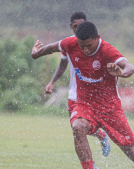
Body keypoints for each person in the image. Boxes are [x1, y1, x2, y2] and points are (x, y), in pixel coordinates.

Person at [32, 22, 134, 169]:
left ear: (97, 38)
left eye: (89, 45)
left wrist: (121, 73)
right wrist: (35, 54)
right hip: (85, 104)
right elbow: (50, 48)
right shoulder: (70, 43)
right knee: (77, 126)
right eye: (82, 46)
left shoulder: (107, 50)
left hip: (110, 108)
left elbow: (130, 67)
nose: (86, 49)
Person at [44, 12, 111, 159]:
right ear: (71, 27)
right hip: (74, 95)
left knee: (82, 127)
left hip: (91, 95)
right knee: (76, 129)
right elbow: (62, 66)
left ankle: (89, 164)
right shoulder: (68, 45)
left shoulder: (94, 44)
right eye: (76, 26)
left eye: (81, 25)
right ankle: (100, 137)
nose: (78, 28)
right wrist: (51, 82)